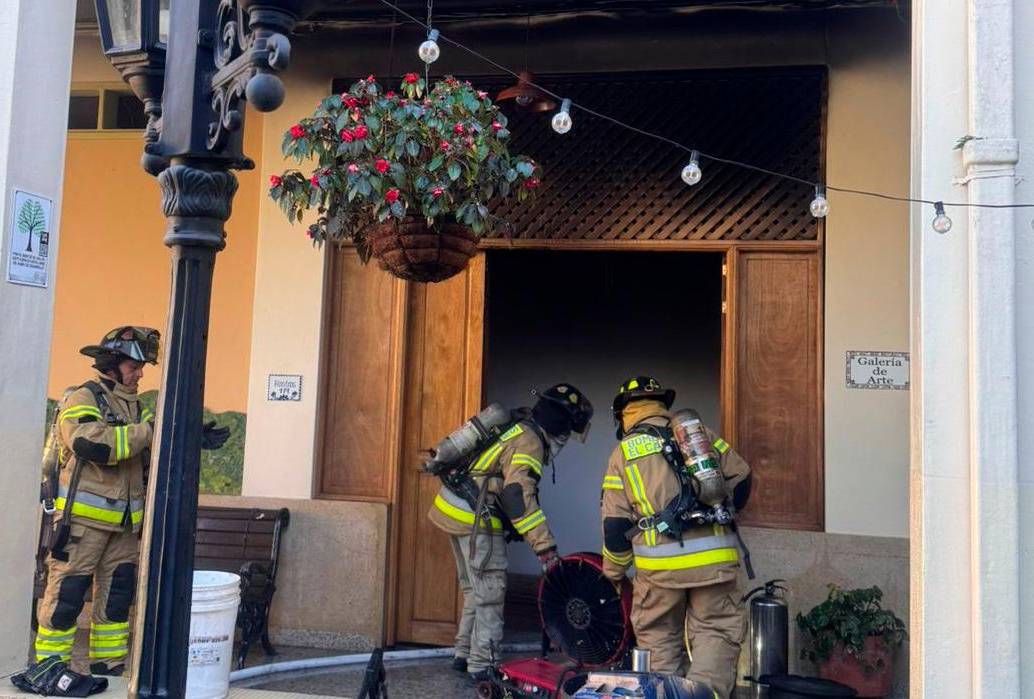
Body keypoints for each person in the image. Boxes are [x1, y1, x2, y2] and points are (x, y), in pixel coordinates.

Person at [31, 327, 229, 679]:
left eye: (141, 368)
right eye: (134, 366)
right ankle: (50, 667)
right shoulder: (84, 398)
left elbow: (144, 455)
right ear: (112, 363)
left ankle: (108, 668)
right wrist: (150, 430)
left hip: (124, 527)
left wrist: (185, 435)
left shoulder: (134, 406)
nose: (139, 374)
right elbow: (92, 445)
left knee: (117, 601)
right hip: (82, 526)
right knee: (67, 598)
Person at [428, 384, 593, 683]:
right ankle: (483, 665)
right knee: (490, 593)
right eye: (568, 432)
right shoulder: (530, 441)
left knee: (474, 592)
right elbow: (517, 494)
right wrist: (545, 548)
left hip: (452, 509)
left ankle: (463, 654)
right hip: (475, 518)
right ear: (561, 427)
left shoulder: (518, 427)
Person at [599, 376, 751, 698]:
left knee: (659, 638)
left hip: (660, 568)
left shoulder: (623, 452)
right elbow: (743, 476)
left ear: (624, 412)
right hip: (716, 561)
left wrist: (613, 574)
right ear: (662, 404)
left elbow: (615, 527)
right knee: (717, 632)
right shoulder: (700, 435)